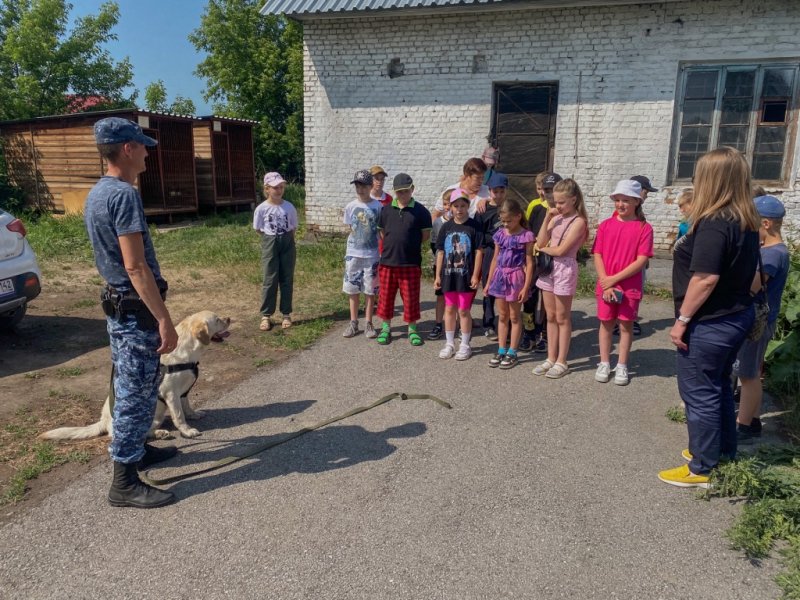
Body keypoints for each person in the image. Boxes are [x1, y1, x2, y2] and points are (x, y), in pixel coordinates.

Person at [84, 117, 178, 508]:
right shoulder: (123, 195)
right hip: (135, 308)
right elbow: (135, 266)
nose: (145, 153)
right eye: (141, 146)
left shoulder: (98, 192)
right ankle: (124, 481)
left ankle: (137, 450)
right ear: (126, 149)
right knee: (135, 393)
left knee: (136, 383)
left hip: (119, 306)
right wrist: (163, 318)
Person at [660, 146, 760, 489]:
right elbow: (752, 278)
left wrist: (682, 320)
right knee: (717, 386)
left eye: (699, 174)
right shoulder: (744, 220)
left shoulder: (716, 223)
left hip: (710, 322)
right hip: (734, 316)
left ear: (711, 180)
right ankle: (722, 452)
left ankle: (702, 468)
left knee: (699, 392)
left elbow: (705, 278)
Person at [733, 195, 790, 443]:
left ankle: (743, 425)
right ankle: (753, 419)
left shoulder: (771, 255)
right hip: (762, 320)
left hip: (756, 322)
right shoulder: (773, 250)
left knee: (747, 374)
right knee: (751, 370)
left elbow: (751, 287)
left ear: (765, 224)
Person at [592, 179, 654, 386]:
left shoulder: (644, 228)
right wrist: (606, 282)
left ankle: (622, 364)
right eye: (617, 200)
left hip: (629, 286)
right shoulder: (605, 225)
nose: (620, 204)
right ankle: (604, 362)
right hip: (606, 283)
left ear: (637, 201)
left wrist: (613, 280)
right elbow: (598, 254)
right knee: (606, 323)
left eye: (626, 200)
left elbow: (642, 260)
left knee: (626, 325)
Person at [531, 178, 589, 379]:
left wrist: (542, 249)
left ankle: (562, 361)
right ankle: (550, 357)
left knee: (563, 317)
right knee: (551, 316)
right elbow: (539, 240)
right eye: (555, 202)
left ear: (573, 200)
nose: (557, 206)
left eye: (562, 202)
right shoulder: (555, 217)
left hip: (564, 268)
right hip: (548, 268)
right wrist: (547, 218)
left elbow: (562, 249)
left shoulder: (579, 221)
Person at [376, 173, 432, 346]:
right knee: (386, 298)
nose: (402, 195)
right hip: (388, 262)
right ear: (395, 192)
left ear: (412, 189)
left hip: (410, 263)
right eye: (399, 192)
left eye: (406, 191)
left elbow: (425, 236)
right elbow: (383, 233)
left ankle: (412, 329)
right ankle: (386, 328)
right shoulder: (385, 210)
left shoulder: (421, 211)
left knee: (411, 298)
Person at [484, 199, 535, 369]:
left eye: (509, 221)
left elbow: (529, 262)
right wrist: (488, 282)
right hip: (499, 276)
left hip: (516, 277)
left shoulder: (526, 236)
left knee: (514, 316)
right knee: (503, 315)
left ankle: (513, 351)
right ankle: (501, 348)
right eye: (503, 221)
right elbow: (494, 259)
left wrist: (526, 286)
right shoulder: (500, 234)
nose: (505, 224)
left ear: (518, 216)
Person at [434, 188, 483, 360]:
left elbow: (478, 252)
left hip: (466, 276)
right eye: (456, 206)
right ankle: (449, 344)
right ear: (451, 208)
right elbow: (440, 252)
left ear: (468, 206)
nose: (460, 209)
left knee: (463, 310)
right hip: (448, 275)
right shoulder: (446, 227)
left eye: (463, 205)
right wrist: (438, 276)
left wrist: (476, 275)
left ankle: (465, 344)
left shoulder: (474, 227)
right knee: (449, 309)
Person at [522, 172, 561, 352]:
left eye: (552, 190)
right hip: (536, 260)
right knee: (529, 297)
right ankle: (529, 332)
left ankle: (544, 334)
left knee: (548, 303)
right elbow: (528, 234)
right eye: (545, 189)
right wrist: (525, 258)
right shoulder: (536, 207)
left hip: (556, 262)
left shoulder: (565, 210)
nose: (548, 194)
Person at [254, 172, 298, 332]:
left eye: (281, 187)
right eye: (275, 188)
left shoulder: (289, 207)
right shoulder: (262, 209)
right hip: (270, 242)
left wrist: (285, 239)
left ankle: (286, 313)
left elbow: (293, 227)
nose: (278, 190)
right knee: (270, 278)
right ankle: (266, 315)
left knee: (286, 278)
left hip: (287, 242)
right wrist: (271, 239)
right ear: (267, 189)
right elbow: (258, 229)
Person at [342, 169, 382, 339]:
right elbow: (350, 227)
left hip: (372, 254)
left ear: (371, 186)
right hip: (354, 253)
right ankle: (353, 322)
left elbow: (381, 230)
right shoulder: (351, 206)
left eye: (364, 186)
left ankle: (369, 323)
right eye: (357, 186)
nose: (360, 189)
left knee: (370, 290)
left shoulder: (378, 206)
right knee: (352, 289)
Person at [476, 173, 507, 340]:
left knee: (507, 288)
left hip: (508, 253)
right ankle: (488, 323)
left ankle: (505, 321)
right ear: (490, 191)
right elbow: (478, 235)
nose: (499, 195)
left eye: (502, 191)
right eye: (495, 192)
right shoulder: (483, 210)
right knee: (488, 288)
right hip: (489, 252)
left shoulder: (510, 207)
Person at [428, 186, 455, 340]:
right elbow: (434, 244)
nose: (447, 207)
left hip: (457, 266)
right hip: (440, 264)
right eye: (445, 204)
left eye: (450, 204)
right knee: (440, 296)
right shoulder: (438, 222)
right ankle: (438, 323)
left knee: (455, 295)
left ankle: (455, 324)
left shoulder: (461, 222)